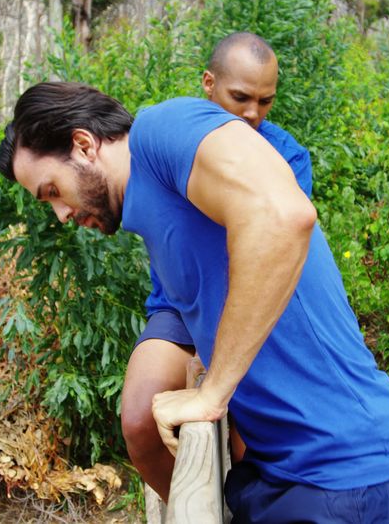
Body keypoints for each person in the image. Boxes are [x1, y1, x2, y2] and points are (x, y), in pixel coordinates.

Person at [0, 82, 389, 522]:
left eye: (52, 191)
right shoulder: (156, 217)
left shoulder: (165, 129)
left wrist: (212, 393)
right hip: (290, 476)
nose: (61, 215)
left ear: (83, 144)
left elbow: (284, 216)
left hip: (345, 478)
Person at [122, 32, 312, 502]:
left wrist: (220, 347)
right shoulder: (168, 138)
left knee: (256, 434)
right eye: (240, 97)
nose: (252, 113)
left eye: (265, 101)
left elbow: (273, 249)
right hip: (177, 305)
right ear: (209, 84)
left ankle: (245, 505)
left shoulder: (286, 156)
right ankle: (192, 506)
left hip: (243, 300)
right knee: (139, 421)